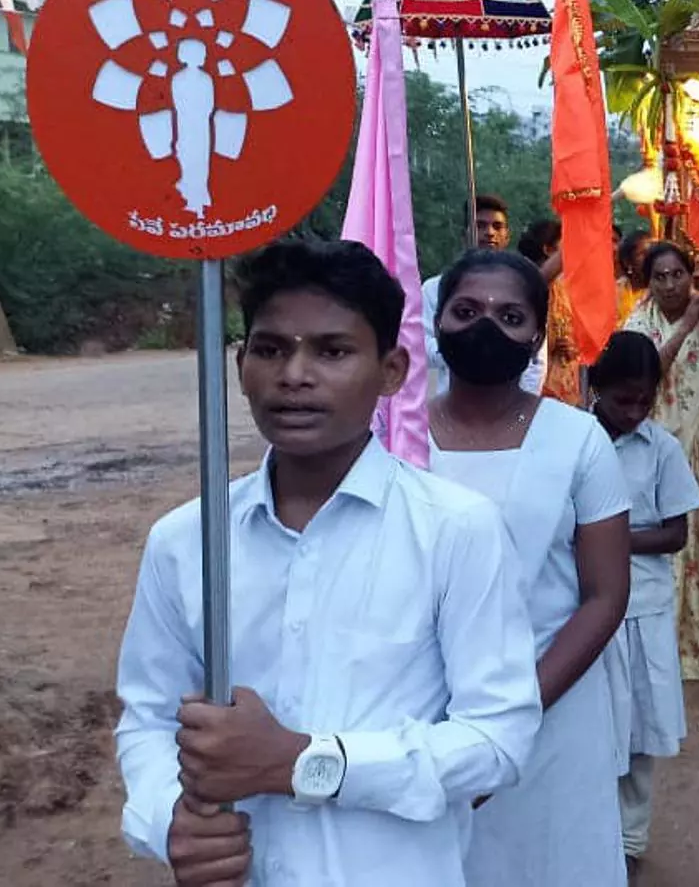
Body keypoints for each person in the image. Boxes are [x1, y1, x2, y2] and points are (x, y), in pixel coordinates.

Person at [114, 240, 542, 886]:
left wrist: (299, 762)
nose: (294, 375)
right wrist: (167, 819)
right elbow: (148, 716)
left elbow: (497, 737)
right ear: (240, 365)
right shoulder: (187, 541)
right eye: (270, 349)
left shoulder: (454, 530)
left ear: (392, 371)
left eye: (332, 351)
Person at [426, 248, 634, 887]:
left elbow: (604, 596)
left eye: (510, 316)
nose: (486, 326)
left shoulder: (577, 439)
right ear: (437, 323)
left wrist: (513, 712)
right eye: (467, 311)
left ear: (537, 336)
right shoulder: (393, 433)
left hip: (551, 702)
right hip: (417, 710)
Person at [589, 332, 699, 876]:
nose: (634, 411)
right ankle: (588, 834)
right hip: (582, 610)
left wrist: (608, 536)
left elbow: (676, 533)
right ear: (597, 388)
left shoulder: (662, 447)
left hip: (642, 608)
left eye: (645, 401)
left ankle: (630, 841)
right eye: (623, 400)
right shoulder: (572, 440)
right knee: (590, 725)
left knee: (637, 730)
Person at [621, 241, 699, 680]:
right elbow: (644, 374)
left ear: (693, 275)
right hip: (659, 446)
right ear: (647, 282)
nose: (670, 285)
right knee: (672, 542)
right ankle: (669, 642)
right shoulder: (638, 321)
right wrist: (687, 325)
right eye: (660, 277)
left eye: (678, 275)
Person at [423, 194, 539, 394]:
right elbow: (421, 344)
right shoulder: (434, 288)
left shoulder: (523, 291)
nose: (489, 233)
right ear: (465, 234)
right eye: (480, 225)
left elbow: (536, 362)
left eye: (497, 226)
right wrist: (473, 350)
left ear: (507, 235)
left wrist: (521, 413)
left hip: (509, 407)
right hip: (446, 400)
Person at [518, 219, 580, 405]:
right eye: (564, 245)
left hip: (567, 390)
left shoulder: (562, 287)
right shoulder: (527, 284)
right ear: (548, 250)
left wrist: (572, 346)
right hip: (537, 389)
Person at [617, 227, 653, 325]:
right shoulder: (614, 291)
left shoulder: (660, 293)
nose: (650, 258)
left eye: (652, 253)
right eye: (643, 254)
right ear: (627, 261)